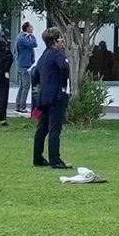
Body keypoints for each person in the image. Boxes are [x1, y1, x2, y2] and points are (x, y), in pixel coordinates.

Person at [31, 28, 70, 169]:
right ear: (55, 41)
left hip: (44, 95)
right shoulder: (57, 55)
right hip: (56, 95)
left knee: (42, 128)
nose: (62, 42)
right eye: (60, 39)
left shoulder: (44, 56)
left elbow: (35, 74)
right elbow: (64, 67)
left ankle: (38, 157)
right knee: (55, 128)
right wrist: (63, 84)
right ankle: (55, 160)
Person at [12, 22, 38, 118]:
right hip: (24, 65)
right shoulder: (22, 38)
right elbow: (34, 44)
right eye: (31, 27)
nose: (33, 28)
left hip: (25, 64)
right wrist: (32, 36)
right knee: (26, 85)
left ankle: (19, 105)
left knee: (22, 85)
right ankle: (21, 106)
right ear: (27, 28)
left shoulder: (25, 37)